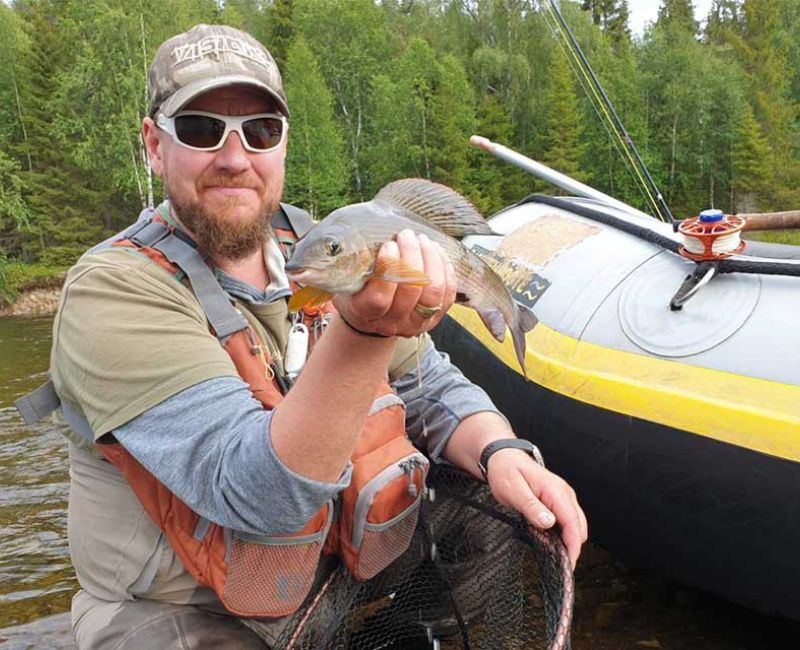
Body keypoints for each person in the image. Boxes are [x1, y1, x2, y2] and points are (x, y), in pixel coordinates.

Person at [45, 24, 587, 649]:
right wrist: (363, 332)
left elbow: (429, 385)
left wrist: (501, 451)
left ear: (282, 143)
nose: (234, 157)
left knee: (493, 514)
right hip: (187, 609)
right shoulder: (112, 292)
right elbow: (258, 497)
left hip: (330, 567)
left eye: (259, 130)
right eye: (200, 128)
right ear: (154, 145)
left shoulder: (313, 242)